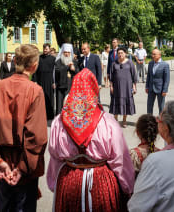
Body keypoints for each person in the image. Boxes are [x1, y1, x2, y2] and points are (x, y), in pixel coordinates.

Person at [47, 68, 135, 211]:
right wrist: (127, 187)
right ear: (94, 90)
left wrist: (54, 184)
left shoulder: (59, 121)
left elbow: (55, 158)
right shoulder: (107, 121)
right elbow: (120, 159)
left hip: (69, 180)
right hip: (100, 181)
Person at [0, 44, 48, 212]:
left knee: (5, 206)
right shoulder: (35, 90)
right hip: (23, 164)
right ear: (34, 65)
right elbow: (36, 137)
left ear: (16, 61)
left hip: (4, 163)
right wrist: (22, 168)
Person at [109, 47, 137, 127]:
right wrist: (111, 86)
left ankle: (124, 121)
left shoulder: (130, 63)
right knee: (116, 102)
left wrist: (134, 87)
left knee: (126, 102)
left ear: (125, 53)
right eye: (119, 53)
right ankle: (115, 119)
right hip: (116, 87)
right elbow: (111, 76)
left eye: (122, 53)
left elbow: (134, 76)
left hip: (127, 87)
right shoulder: (114, 63)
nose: (120, 54)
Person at [54, 43, 79, 115]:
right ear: (62, 52)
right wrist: (68, 67)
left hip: (70, 86)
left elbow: (78, 72)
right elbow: (58, 71)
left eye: (68, 52)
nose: (67, 54)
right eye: (65, 52)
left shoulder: (74, 61)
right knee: (59, 105)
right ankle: (59, 120)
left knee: (69, 104)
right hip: (60, 87)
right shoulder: (58, 62)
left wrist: (74, 69)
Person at [33, 43, 56, 120]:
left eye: (46, 49)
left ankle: (50, 115)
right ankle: (41, 114)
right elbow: (35, 70)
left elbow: (55, 72)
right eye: (44, 49)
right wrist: (35, 80)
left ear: (49, 49)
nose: (45, 50)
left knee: (49, 97)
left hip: (49, 80)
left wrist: (54, 82)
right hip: (40, 80)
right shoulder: (39, 58)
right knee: (40, 97)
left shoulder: (53, 59)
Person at [146, 49, 170, 114]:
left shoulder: (165, 65)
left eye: (154, 54)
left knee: (161, 107)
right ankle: (149, 121)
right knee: (149, 106)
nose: (152, 56)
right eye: (152, 54)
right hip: (151, 88)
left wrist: (165, 90)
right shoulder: (150, 63)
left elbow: (167, 79)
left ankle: (161, 122)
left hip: (161, 89)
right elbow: (148, 76)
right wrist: (147, 87)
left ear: (159, 55)